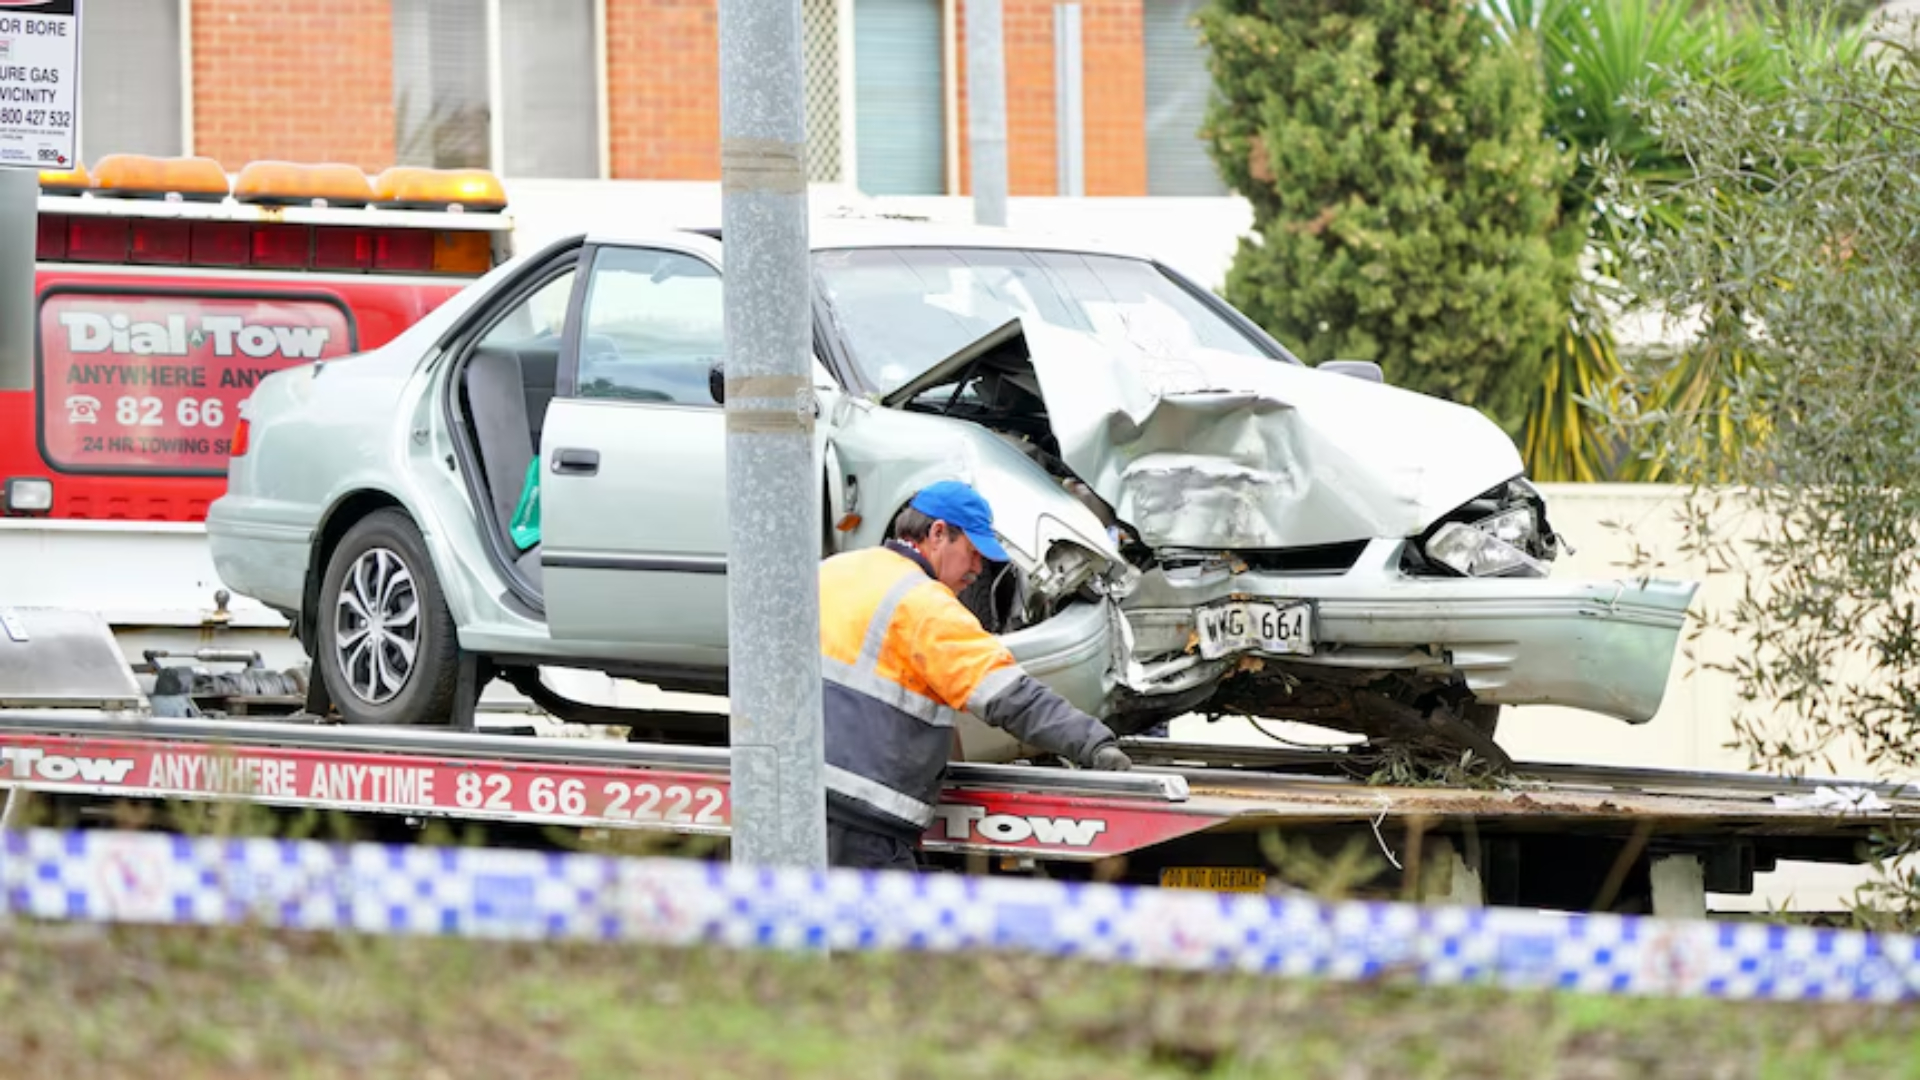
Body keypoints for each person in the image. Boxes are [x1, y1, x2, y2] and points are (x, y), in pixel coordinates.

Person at [818, 479, 1133, 871]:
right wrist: (1093, 745)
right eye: (972, 551)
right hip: (862, 820)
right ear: (937, 534)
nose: (978, 568)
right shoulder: (924, 604)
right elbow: (1010, 696)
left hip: (796, 800)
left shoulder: (833, 572)